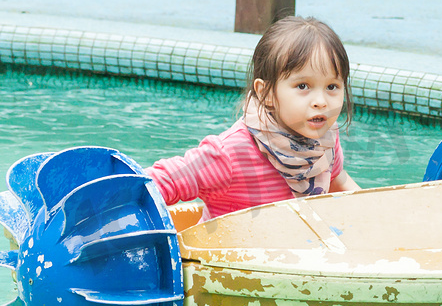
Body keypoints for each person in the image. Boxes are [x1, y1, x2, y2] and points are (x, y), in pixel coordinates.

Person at [147, 15, 359, 221]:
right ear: (266, 93)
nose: (321, 101)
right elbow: (156, 183)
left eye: (332, 87)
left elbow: (337, 182)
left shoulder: (325, 140)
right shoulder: (230, 154)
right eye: (302, 86)